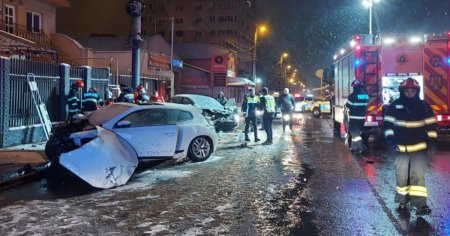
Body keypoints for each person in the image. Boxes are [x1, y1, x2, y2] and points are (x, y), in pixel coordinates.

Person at [383, 77, 437, 215]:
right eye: (407, 90)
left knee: (418, 176)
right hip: (400, 149)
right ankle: (403, 200)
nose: (410, 93)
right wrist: (390, 142)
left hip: (419, 148)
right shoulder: (394, 106)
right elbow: (387, 126)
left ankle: (420, 205)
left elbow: (431, 126)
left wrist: (432, 143)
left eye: (412, 91)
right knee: (401, 176)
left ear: (417, 91)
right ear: (402, 91)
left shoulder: (424, 106)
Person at [344, 80, 369, 154]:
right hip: (362, 118)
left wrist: (345, 107)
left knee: (354, 134)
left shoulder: (352, 96)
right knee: (356, 133)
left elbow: (348, 106)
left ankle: (362, 148)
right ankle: (354, 148)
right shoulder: (365, 95)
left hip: (354, 118)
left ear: (354, 87)